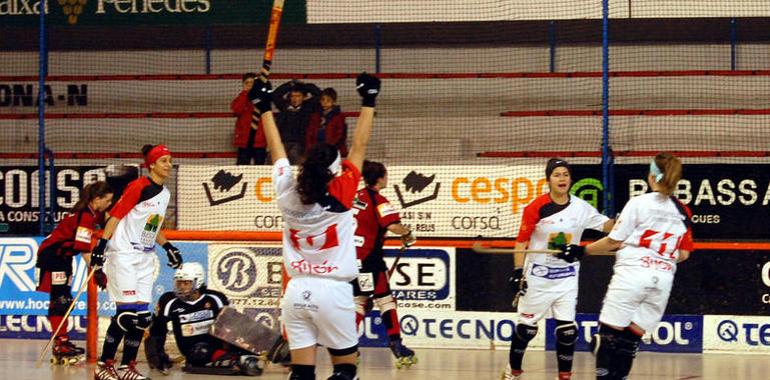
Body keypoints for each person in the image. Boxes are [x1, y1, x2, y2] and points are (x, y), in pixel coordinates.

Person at [247, 72, 380, 380]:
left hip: (296, 292)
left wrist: (263, 105)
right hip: (333, 291)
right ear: (334, 172)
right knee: (346, 370)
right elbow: (359, 145)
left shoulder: (286, 192)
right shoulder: (343, 194)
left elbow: (276, 147)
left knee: (301, 373)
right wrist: (369, 100)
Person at [556, 152, 693, 380]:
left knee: (606, 338)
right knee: (630, 342)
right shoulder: (683, 211)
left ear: (651, 177)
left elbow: (614, 240)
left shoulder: (639, 203)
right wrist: (659, 256)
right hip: (662, 281)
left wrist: (582, 250)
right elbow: (684, 254)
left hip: (632, 276)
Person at [502, 158, 615, 380]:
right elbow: (521, 242)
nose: (562, 178)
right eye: (557, 175)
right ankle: (512, 371)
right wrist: (517, 271)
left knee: (567, 332)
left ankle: (564, 377)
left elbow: (607, 226)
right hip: (537, 278)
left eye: (565, 174)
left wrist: (624, 220)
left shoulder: (581, 207)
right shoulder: (536, 208)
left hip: (567, 278)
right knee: (526, 330)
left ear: (570, 178)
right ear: (548, 180)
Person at [93, 144, 184, 380]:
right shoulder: (138, 186)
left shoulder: (164, 194)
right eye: (163, 160)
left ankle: (126, 367)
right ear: (151, 164)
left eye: (170, 160)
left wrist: (168, 247)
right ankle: (104, 366)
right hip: (123, 254)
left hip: (145, 256)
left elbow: (152, 226)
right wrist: (102, 245)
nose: (168, 164)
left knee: (142, 318)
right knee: (126, 315)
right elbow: (116, 215)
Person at [144, 262, 274, 376]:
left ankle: (281, 353)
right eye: (179, 283)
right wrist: (156, 357)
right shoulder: (170, 301)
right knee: (200, 351)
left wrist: (251, 339)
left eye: (186, 283)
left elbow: (235, 323)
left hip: (218, 343)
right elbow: (157, 331)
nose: (181, 287)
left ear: (198, 281)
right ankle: (238, 360)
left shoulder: (215, 298)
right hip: (193, 350)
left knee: (246, 328)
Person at [35, 181, 113, 364]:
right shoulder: (85, 216)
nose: (109, 204)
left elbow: (109, 218)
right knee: (59, 300)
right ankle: (60, 343)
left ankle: (62, 341)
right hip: (52, 256)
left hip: (63, 257)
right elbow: (84, 249)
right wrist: (98, 272)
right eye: (107, 200)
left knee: (64, 298)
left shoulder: (93, 212)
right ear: (97, 199)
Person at [351, 160, 417, 368]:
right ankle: (397, 345)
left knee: (360, 301)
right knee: (386, 301)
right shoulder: (378, 200)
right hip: (370, 259)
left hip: (350, 258)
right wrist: (407, 234)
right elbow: (393, 225)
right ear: (380, 178)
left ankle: (349, 347)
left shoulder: (355, 196)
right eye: (386, 175)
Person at [272, 79, 321, 164]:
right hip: (283, 141)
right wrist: (290, 84)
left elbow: (319, 94)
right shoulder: (284, 106)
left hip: (299, 143)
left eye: (298, 96)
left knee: (295, 161)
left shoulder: (307, 107)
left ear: (304, 97)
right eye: (293, 96)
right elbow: (275, 95)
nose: (295, 99)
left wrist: (304, 86)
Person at [231, 72, 268, 165]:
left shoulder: (262, 98)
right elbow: (236, 110)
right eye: (247, 83)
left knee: (260, 170)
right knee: (242, 170)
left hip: (259, 142)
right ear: (243, 85)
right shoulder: (241, 98)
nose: (250, 85)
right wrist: (244, 94)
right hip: (244, 142)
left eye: (252, 83)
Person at [306, 88, 348, 157]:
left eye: (328, 100)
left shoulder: (339, 117)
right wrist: (310, 147)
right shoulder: (315, 116)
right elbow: (309, 133)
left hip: (331, 149)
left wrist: (329, 147)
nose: (325, 103)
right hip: (316, 148)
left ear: (334, 102)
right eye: (323, 100)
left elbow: (339, 136)